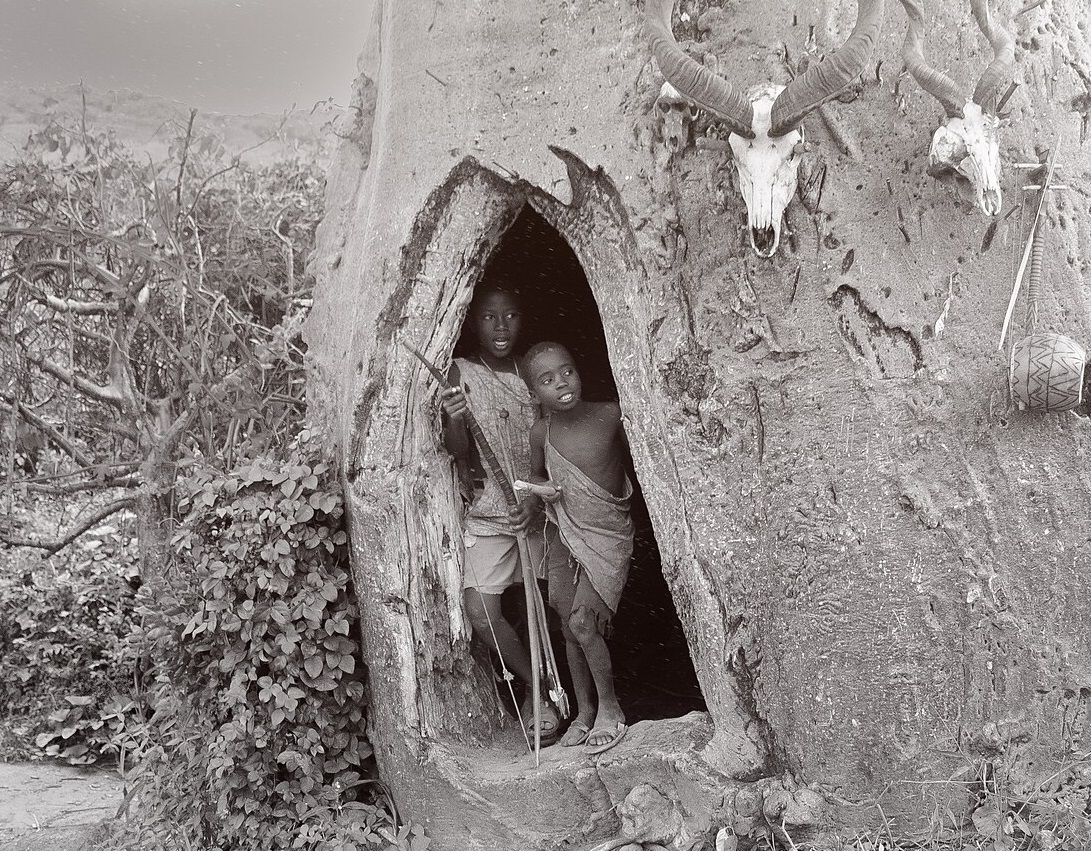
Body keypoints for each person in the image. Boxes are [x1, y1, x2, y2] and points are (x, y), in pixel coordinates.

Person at [440, 285, 561, 746]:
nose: (501, 326)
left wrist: (534, 497)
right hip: (488, 513)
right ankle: (535, 688)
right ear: (472, 321)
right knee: (482, 612)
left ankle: (564, 696)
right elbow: (456, 450)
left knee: (549, 608)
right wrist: (454, 417)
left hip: (541, 508)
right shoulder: (462, 372)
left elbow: (554, 436)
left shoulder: (534, 372)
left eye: (511, 315)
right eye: (490, 317)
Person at [523, 341, 633, 754]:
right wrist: (536, 497)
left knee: (585, 622)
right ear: (535, 393)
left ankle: (611, 708)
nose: (562, 384)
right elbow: (536, 481)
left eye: (566, 372)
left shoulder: (612, 415)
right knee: (570, 627)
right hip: (564, 532)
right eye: (548, 380)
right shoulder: (541, 432)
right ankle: (584, 713)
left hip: (607, 535)